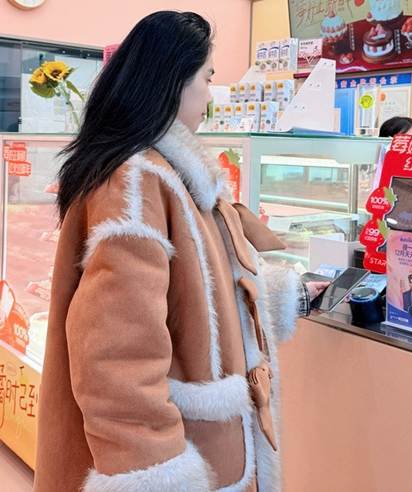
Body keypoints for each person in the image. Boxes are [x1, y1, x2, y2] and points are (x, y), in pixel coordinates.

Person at [34, 11, 327, 492]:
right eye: (207, 78)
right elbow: (116, 358)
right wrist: (156, 471)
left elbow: (196, 289)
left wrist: (282, 294)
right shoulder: (136, 180)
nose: (210, 96)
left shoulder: (162, 172)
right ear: (173, 79)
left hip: (208, 450)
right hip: (182, 460)